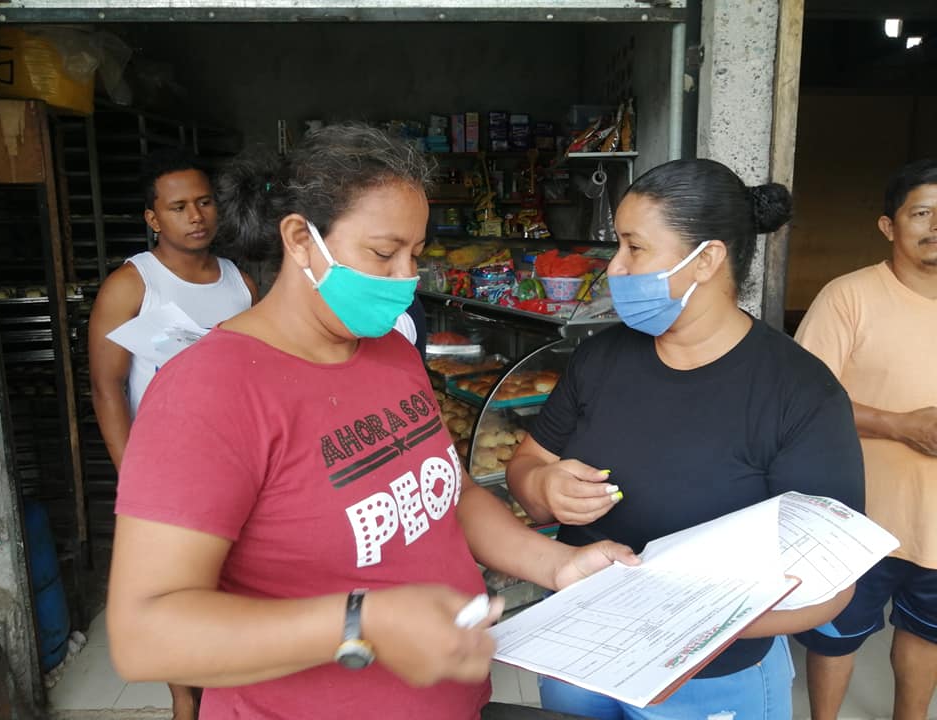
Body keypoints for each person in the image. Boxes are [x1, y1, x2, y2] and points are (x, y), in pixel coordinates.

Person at [105, 123, 638, 720]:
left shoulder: (389, 352)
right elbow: (145, 634)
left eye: (415, 254)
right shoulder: (208, 391)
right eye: (384, 254)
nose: (405, 278)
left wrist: (559, 566)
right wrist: (361, 621)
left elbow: (450, 496)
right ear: (300, 240)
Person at [505, 158, 866, 720]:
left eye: (634, 248)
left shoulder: (799, 392)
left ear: (707, 259)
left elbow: (831, 586)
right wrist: (543, 486)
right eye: (618, 246)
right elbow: (526, 465)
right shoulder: (601, 358)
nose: (615, 267)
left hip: (710, 675)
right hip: (582, 650)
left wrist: (682, 619)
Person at [88, 148, 258, 720]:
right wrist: (133, 477)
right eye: (179, 206)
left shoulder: (239, 282)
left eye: (204, 202)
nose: (196, 216)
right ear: (152, 217)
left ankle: (236, 694)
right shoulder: (132, 285)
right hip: (168, 472)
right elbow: (107, 389)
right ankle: (186, 705)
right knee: (176, 598)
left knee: (237, 588)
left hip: (239, 467)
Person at [793, 158, 937, 720]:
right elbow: (803, 402)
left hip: (934, 524)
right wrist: (899, 425)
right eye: (921, 213)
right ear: (888, 226)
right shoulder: (848, 297)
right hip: (857, 521)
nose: (935, 226)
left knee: (925, 633)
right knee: (837, 637)